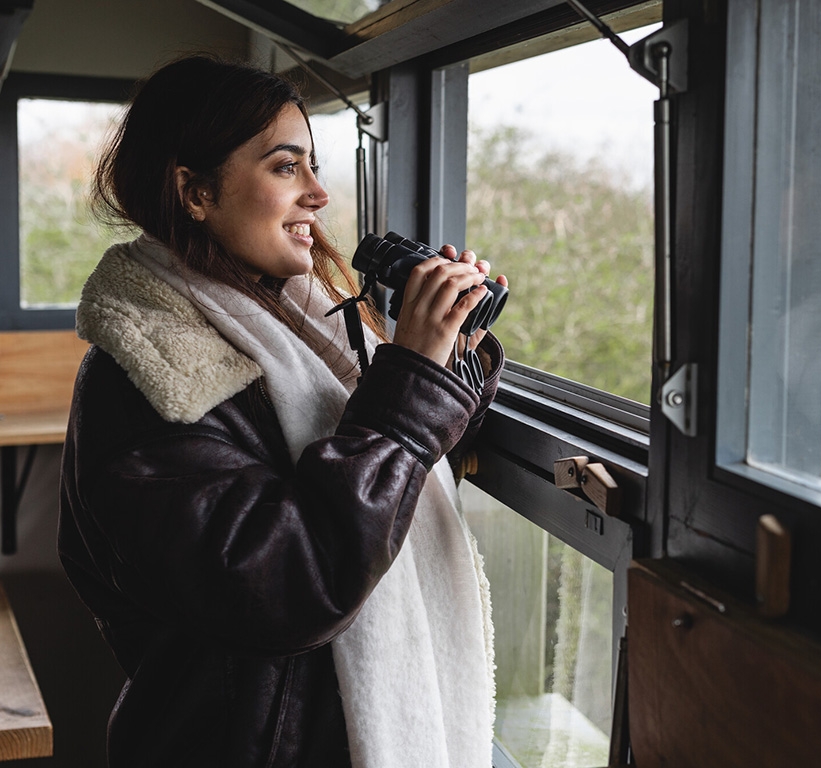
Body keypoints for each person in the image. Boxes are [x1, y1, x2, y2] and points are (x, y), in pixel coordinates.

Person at [57, 54, 506, 768]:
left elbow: (385, 471)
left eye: (315, 166)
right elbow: (289, 581)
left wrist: (450, 355)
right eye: (285, 167)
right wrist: (408, 383)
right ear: (195, 191)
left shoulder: (300, 327)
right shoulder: (144, 375)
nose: (320, 195)